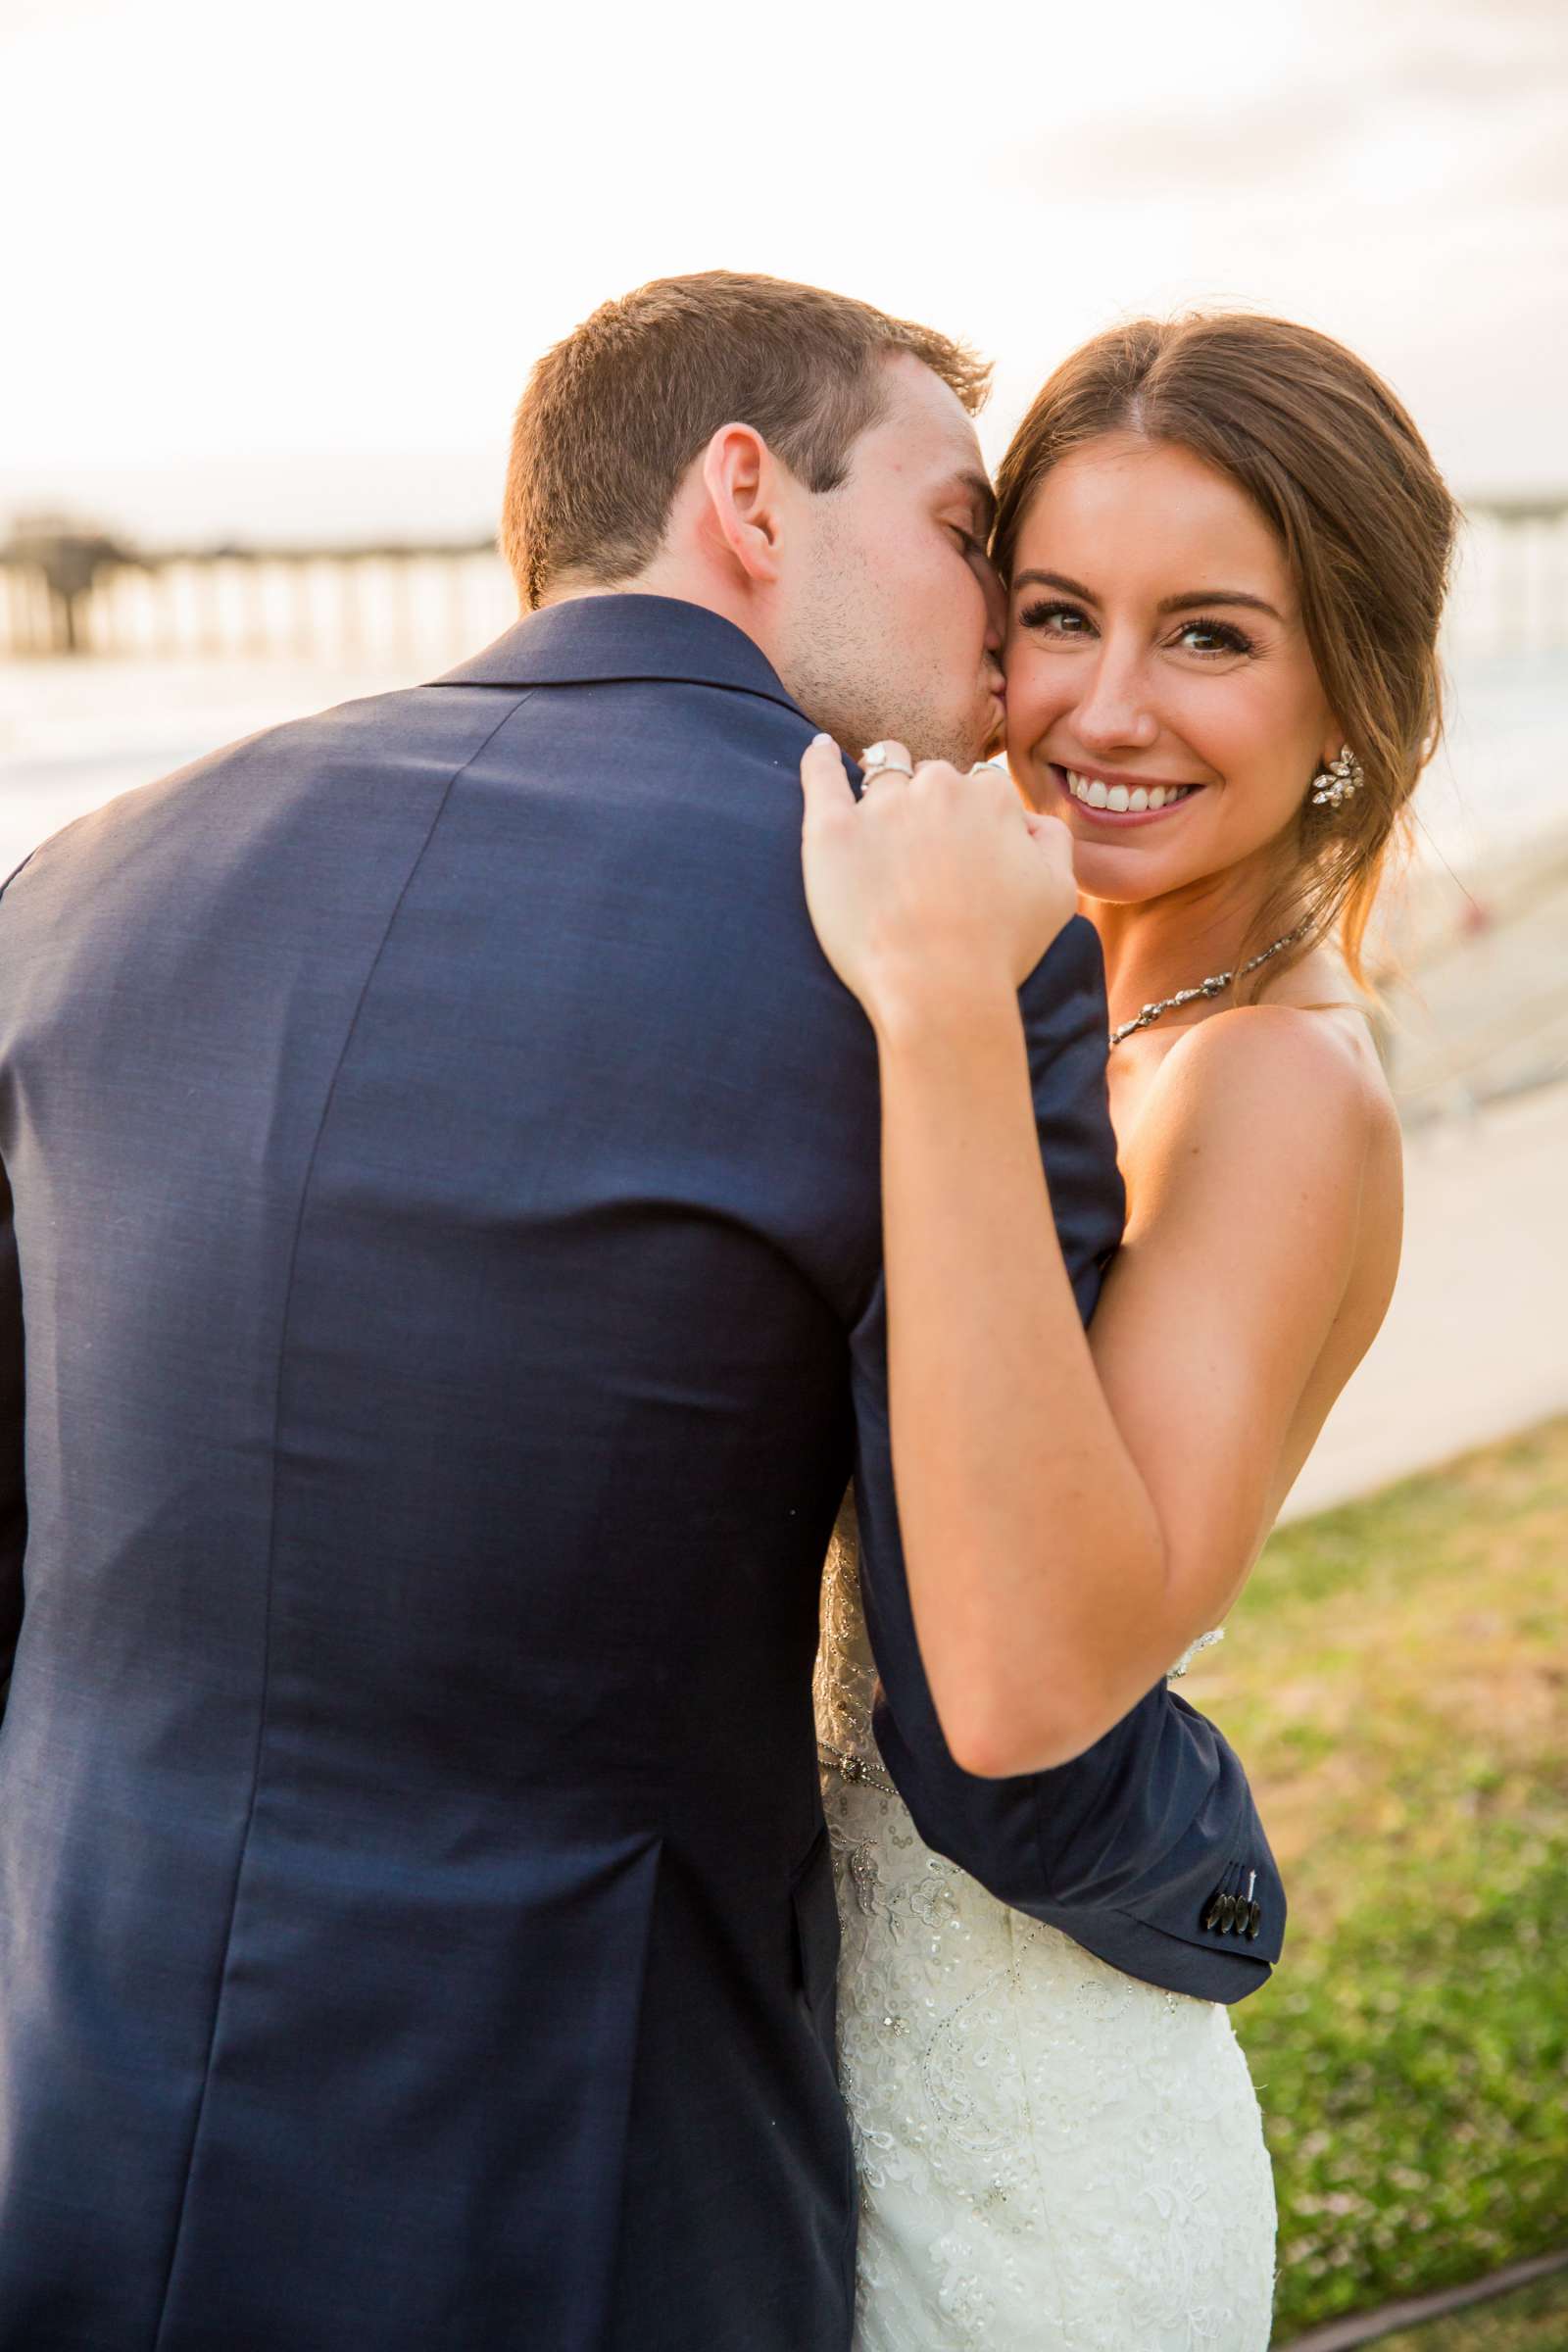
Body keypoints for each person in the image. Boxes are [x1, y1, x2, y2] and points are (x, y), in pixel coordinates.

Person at [0, 273, 1274, 2352]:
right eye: (964, 535)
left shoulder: (72, 882)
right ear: (747, 496)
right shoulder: (917, 945)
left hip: (69, 2105)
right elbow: (996, 1734)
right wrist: (1217, 1881)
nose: (997, 630)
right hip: (581, 2178)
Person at [803, 312, 1458, 2351]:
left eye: (1206, 637)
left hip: (1019, 2177)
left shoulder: (1269, 1089)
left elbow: (1017, 1695)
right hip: (833, 2083)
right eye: (1058, 613)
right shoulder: (1097, 1005)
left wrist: (929, 1017)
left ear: (1345, 690)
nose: (1098, 706)